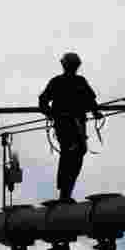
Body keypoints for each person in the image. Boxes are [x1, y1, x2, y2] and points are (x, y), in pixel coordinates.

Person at [38, 52, 103, 203]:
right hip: (66, 124)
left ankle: (65, 192)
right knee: (71, 153)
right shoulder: (63, 81)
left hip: (74, 123)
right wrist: (52, 114)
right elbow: (43, 101)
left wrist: (95, 111)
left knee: (76, 153)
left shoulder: (72, 81)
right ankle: (64, 193)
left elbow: (90, 100)